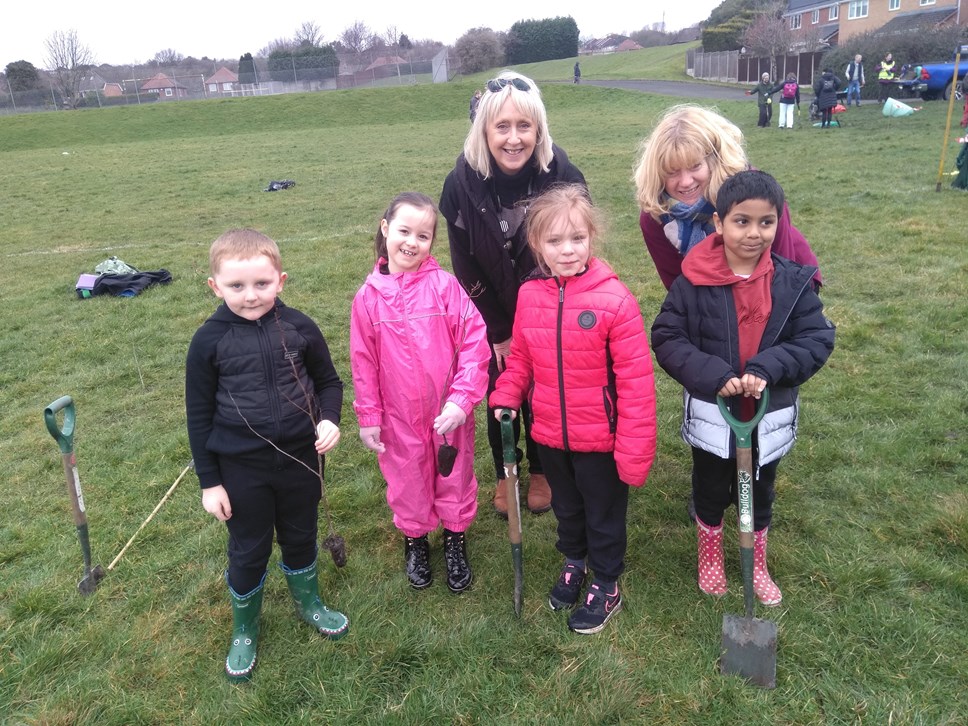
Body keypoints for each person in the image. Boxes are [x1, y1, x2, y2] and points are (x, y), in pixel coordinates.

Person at [650, 170, 835, 606]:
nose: (754, 233)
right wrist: (715, 376)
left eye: (765, 222)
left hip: (767, 413)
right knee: (711, 485)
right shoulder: (692, 281)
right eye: (742, 221)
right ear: (719, 223)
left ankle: (756, 560)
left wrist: (769, 367)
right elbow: (667, 338)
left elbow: (816, 338)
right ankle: (710, 552)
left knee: (761, 486)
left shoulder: (793, 283)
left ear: (779, 223)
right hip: (716, 414)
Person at [489, 184, 657, 634]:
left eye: (577, 239)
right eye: (555, 241)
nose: (567, 250)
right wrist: (507, 392)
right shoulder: (531, 296)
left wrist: (634, 450)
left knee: (602, 513)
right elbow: (522, 357)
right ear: (537, 245)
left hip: (600, 439)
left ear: (592, 238)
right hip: (550, 433)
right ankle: (575, 561)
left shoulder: (615, 301)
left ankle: (606, 582)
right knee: (568, 509)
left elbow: (637, 384)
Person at [185, 229, 349, 683]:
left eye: (262, 283)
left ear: (281, 280)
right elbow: (198, 417)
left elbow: (329, 382)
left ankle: (309, 601)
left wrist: (330, 419)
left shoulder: (300, 327)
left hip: (301, 460)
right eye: (236, 286)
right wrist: (209, 482)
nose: (251, 295)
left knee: (301, 534)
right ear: (215, 286)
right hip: (241, 470)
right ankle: (244, 627)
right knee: (248, 548)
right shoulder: (208, 342)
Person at [440, 70, 588, 518]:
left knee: (545, 388)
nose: (513, 138)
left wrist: (544, 316)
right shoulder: (461, 183)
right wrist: (500, 331)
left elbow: (575, 245)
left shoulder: (562, 173)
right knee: (499, 388)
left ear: (539, 128)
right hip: (491, 310)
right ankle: (508, 470)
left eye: (524, 126)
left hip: (549, 304)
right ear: (483, 130)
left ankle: (543, 469)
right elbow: (464, 263)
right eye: (501, 126)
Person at [350, 192, 490, 593]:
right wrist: (369, 418)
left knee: (455, 475)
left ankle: (455, 537)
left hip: (448, 413)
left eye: (423, 235)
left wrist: (462, 400)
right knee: (407, 479)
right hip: (398, 415)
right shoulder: (368, 298)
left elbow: (474, 344)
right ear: (385, 229)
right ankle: (415, 539)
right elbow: (363, 363)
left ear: (433, 241)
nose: (412, 242)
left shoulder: (446, 288)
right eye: (404, 231)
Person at [633, 104, 823, 292]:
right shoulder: (656, 214)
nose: (685, 181)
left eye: (695, 166)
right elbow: (677, 285)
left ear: (714, 160)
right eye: (672, 172)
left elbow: (782, 269)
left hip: (787, 282)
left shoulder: (754, 192)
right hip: (718, 296)